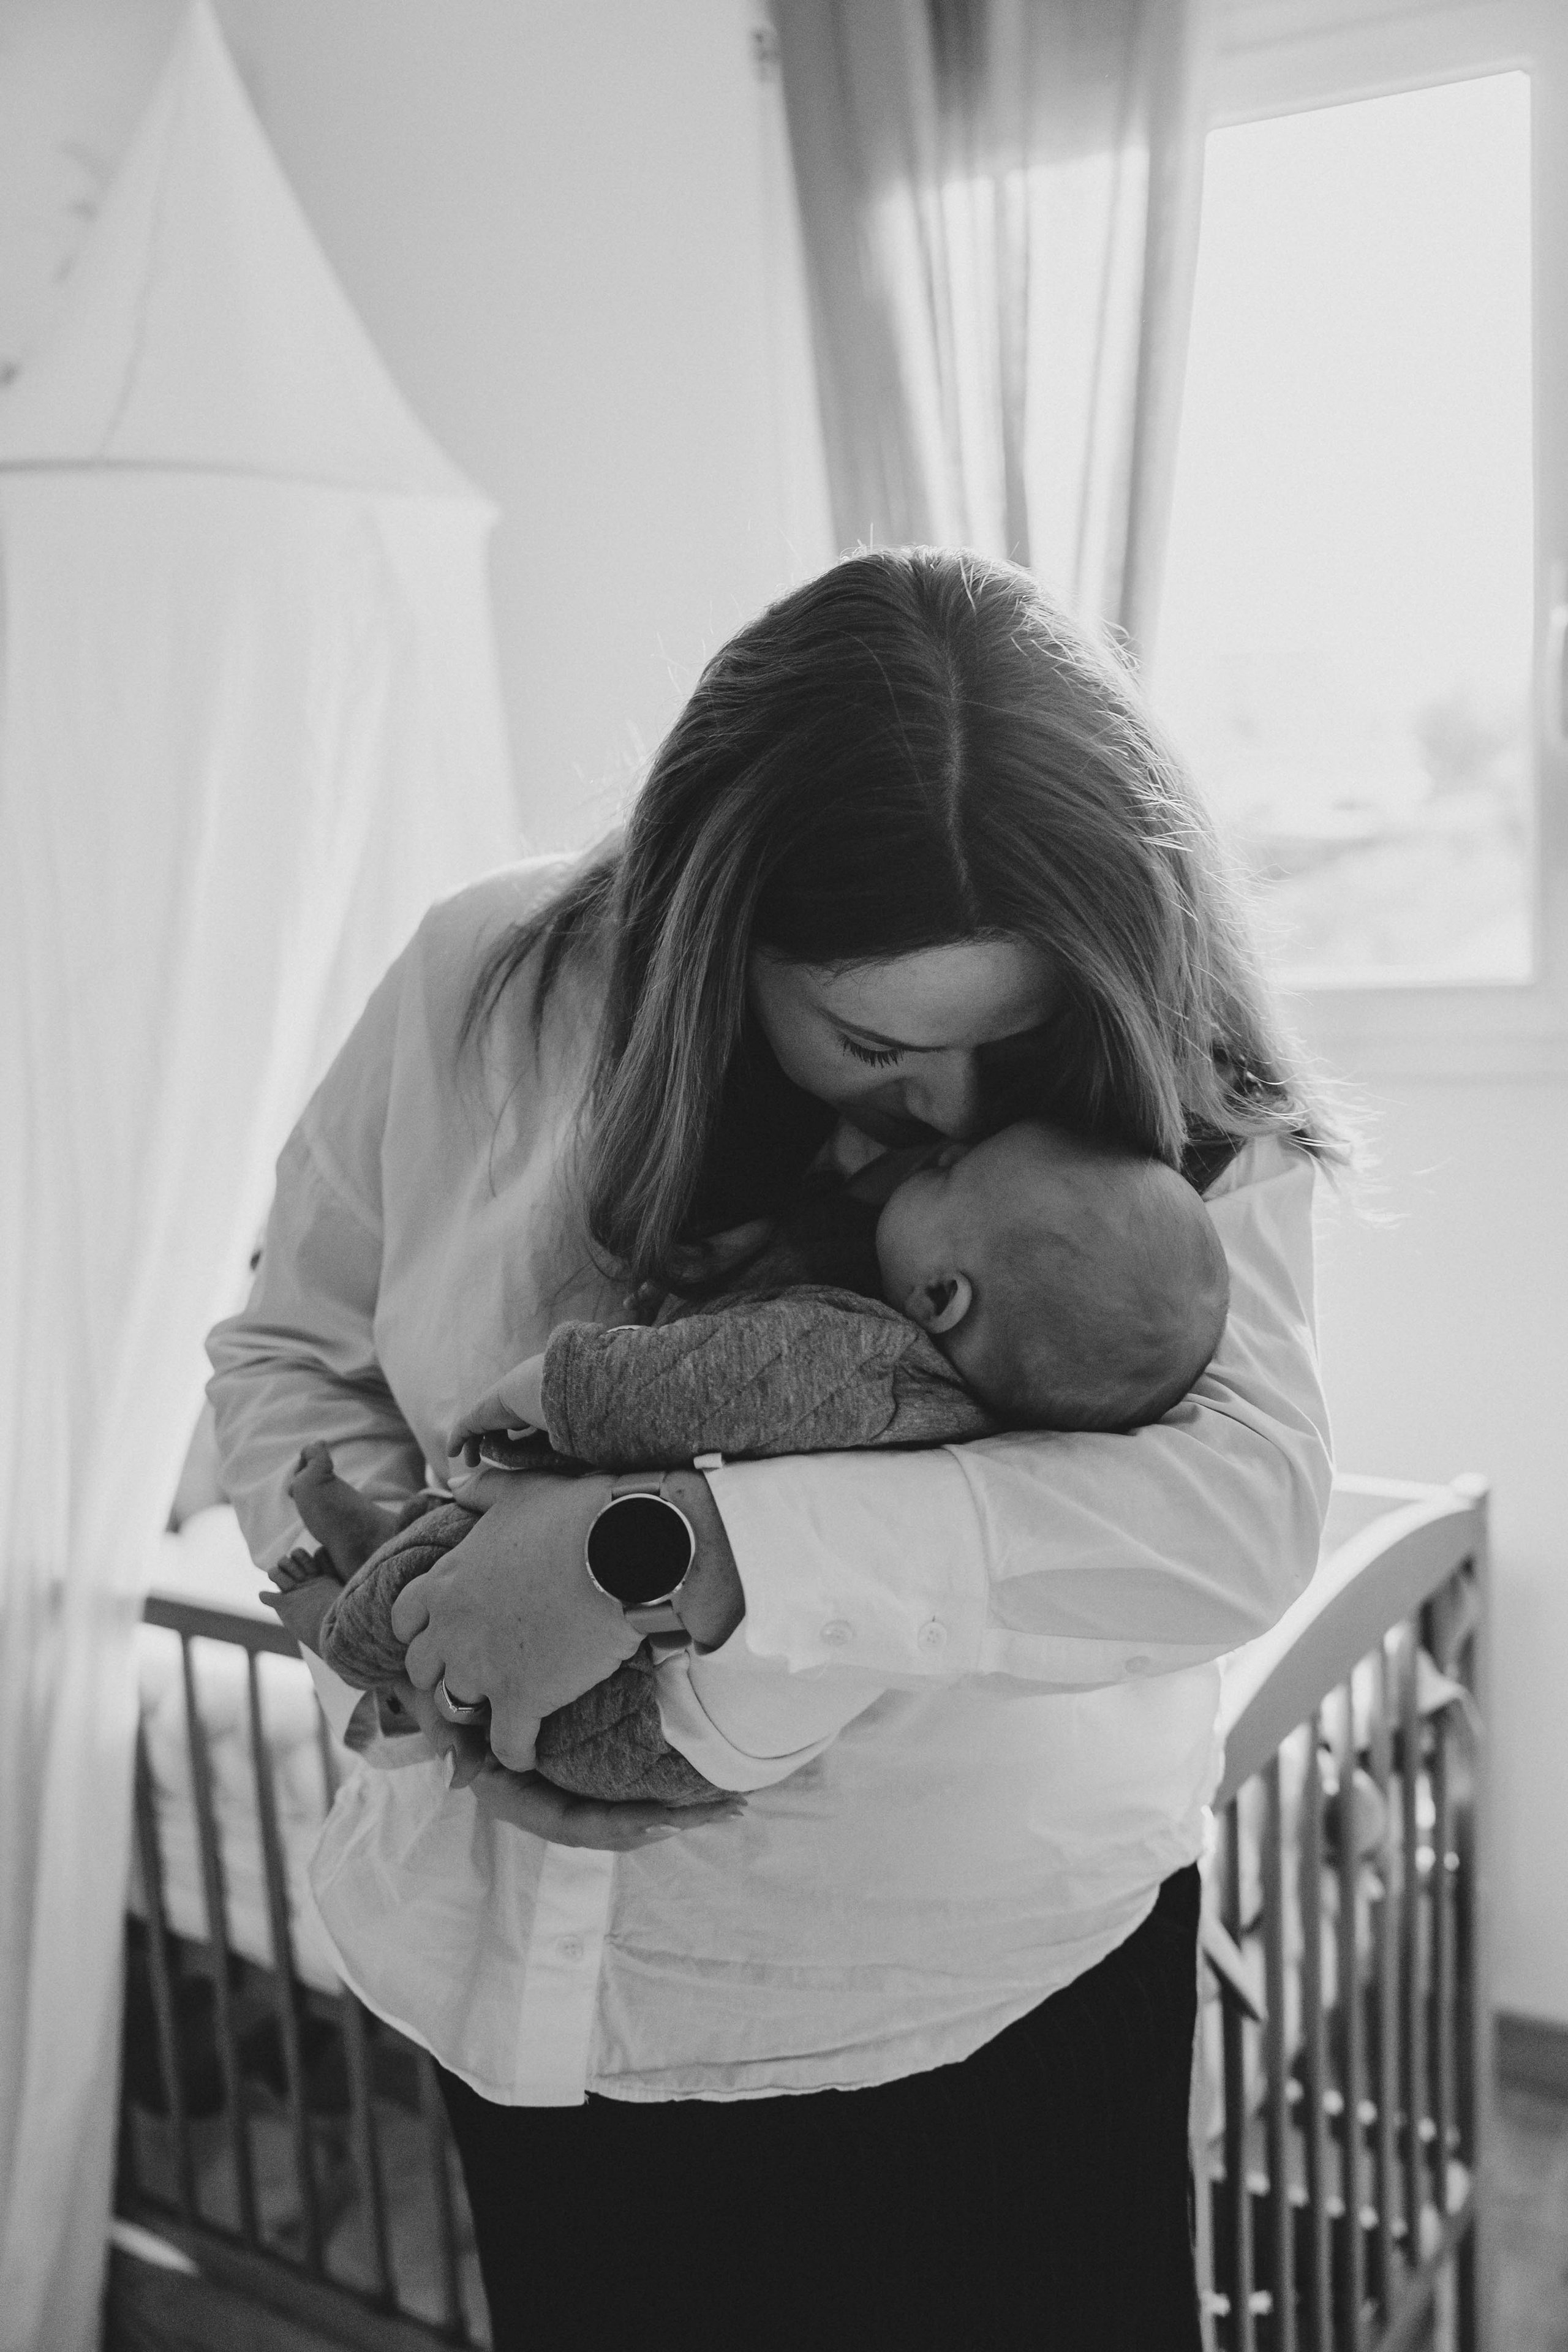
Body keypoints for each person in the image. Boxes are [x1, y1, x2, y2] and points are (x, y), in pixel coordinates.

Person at [207, 548, 1338, 2351]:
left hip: (980, 2009)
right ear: (708, 942)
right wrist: (388, 1582)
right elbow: (285, 1348)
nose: (954, 1114)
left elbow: (1237, 1513)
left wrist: (655, 1551)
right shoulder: (478, 986)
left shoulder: (1156, 1074)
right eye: (874, 1038)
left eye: (1012, 1039)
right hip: (523, 2019)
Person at [262, 1115, 1232, 1810]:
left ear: (941, 1294)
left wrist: (545, 1397)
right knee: (479, 1554)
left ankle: (352, 1626)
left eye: (941, 1174)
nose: (932, 1145)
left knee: (455, 1557)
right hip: (696, 1736)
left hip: (630, 1721)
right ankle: (392, 1598)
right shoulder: (970, 1404)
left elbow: (693, 1386)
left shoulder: (863, 1357)